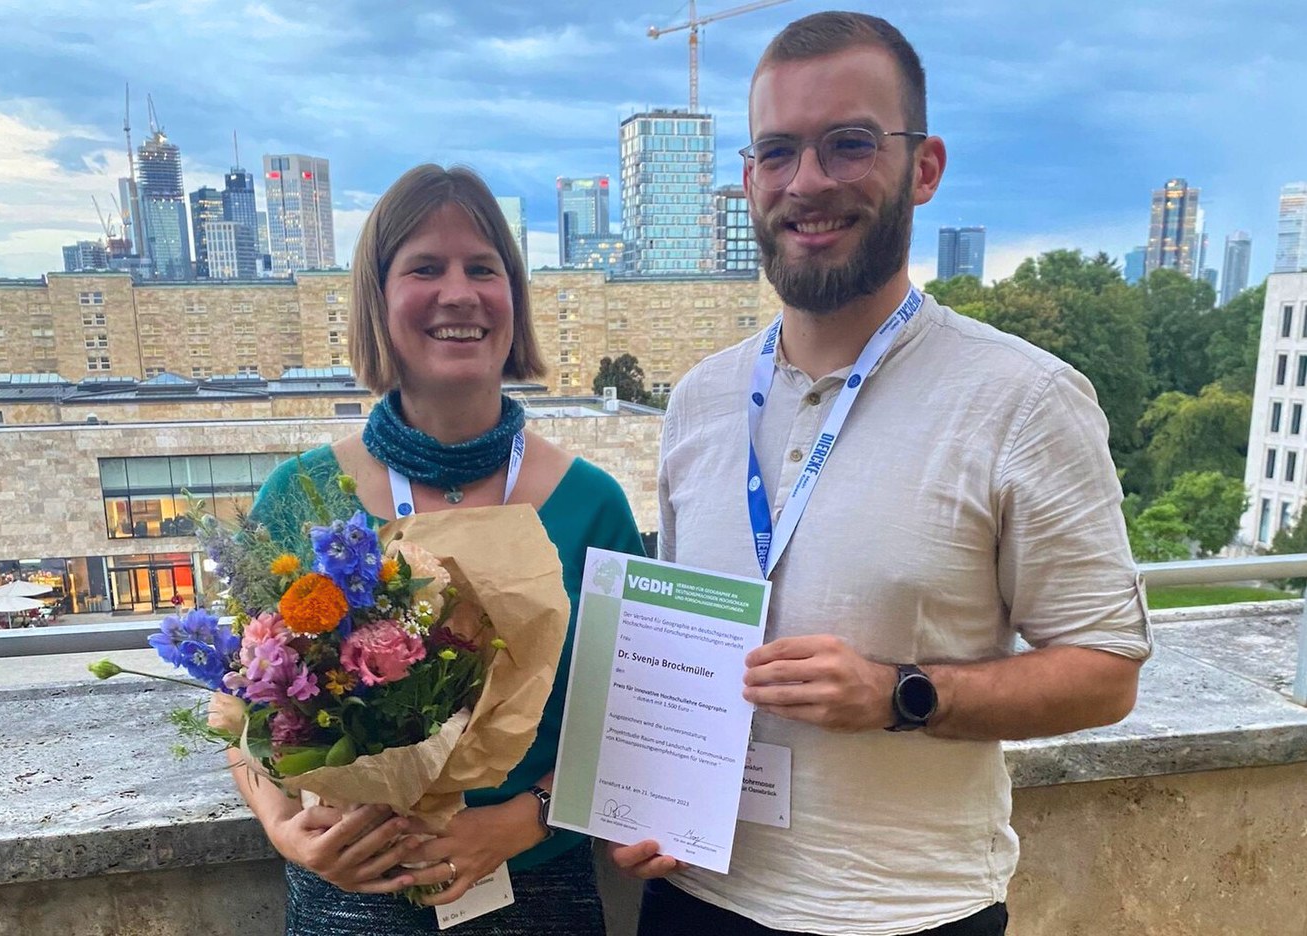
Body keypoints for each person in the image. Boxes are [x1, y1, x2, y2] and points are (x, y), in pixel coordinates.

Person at [611, 11, 1151, 936]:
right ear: (747, 181)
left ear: (924, 166)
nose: (807, 183)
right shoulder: (700, 400)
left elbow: (1105, 673)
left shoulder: (1023, 398)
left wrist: (902, 693)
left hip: (904, 914)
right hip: (694, 900)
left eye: (848, 144)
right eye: (777, 152)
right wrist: (645, 790)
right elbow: (685, 636)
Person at [231, 164, 644, 935]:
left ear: (513, 301)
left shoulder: (594, 505)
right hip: (347, 897)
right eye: (425, 267)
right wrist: (283, 827)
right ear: (377, 300)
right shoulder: (300, 496)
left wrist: (522, 821)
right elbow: (240, 709)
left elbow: (631, 721)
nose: (458, 292)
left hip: (536, 893)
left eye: (482, 268)